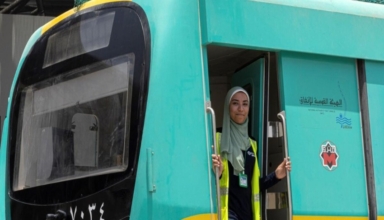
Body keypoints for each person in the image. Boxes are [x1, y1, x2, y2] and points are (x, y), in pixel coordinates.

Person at [212, 86, 291, 220]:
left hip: (248, 215)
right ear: (227, 106)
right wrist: (217, 175)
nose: (241, 109)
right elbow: (204, 182)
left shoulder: (252, 144)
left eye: (245, 104)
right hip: (227, 214)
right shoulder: (217, 138)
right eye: (235, 103)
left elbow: (254, 185)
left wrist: (277, 175)